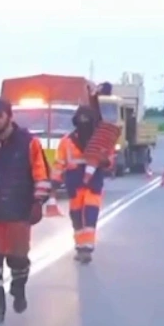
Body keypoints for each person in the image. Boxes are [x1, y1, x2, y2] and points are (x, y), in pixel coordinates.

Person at [0, 98, 52, 325]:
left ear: (9, 117)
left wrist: (38, 203)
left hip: (18, 212)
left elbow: (41, 175)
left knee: (18, 261)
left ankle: (18, 288)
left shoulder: (29, 144)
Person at [54, 103, 114, 264]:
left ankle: (87, 248)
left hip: (93, 184)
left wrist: (103, 161)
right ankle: (80, 246)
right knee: (76, 217)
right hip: (74, 185)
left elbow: (110, 161)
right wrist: (53, 183)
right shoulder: (66, 142)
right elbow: (59, 163)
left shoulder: (101, 141)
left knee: (90, 214)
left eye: (87, 119)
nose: (84, 122)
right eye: (81, 119)